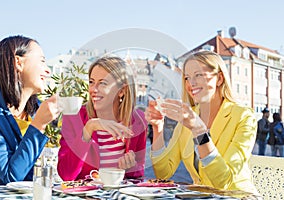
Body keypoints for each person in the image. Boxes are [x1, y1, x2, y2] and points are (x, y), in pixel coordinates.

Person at [145, 50, 258, 195]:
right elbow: (163, 174)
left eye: (199, 75)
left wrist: (198, 130)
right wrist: (157, 128)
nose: (191, 84)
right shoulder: (188, 117)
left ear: (219, 79)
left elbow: (224, 181)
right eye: (187, 77)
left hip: (237, 196)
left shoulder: (243, 116)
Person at [0, 35, 60, 185]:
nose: (47, 71)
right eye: (42, 61)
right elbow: (10, 177)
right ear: (18, 62)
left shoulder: (38, 109)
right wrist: (38, 125)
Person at [57, 56, 147, 181]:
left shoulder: (138, 121)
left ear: (122, 90)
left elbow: (138, 174)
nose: (94, 89)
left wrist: (131, 167)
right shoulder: (74, 118)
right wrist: (89, 129)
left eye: (103, 83)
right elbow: (66, 175)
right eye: (91, 82)